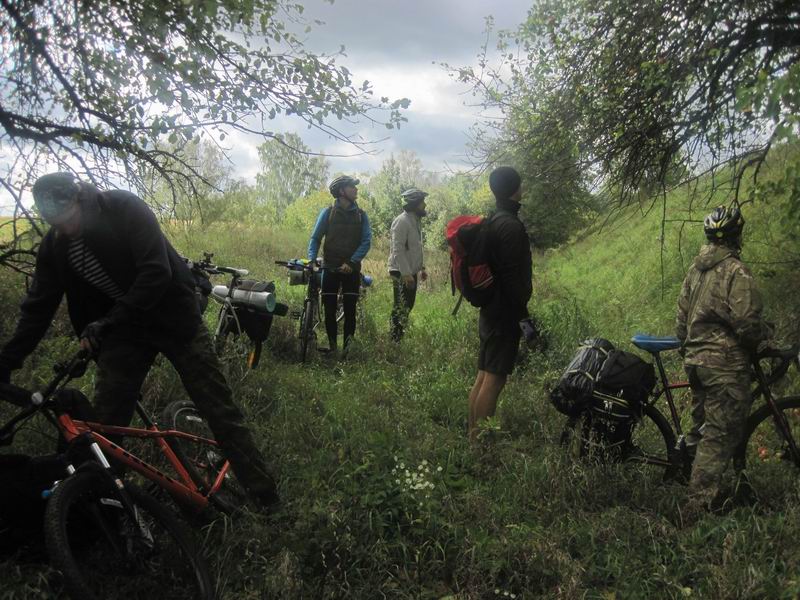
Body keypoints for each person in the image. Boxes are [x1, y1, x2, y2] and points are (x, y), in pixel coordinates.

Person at [0, 172, 279, 510]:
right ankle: (105, 505)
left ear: (78, 200)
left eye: (68, 218)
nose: (65, 228)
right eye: (56, 224)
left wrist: (107, 321)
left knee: (218, 409)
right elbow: (37, 309)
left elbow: (156, 272)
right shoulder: (56, 247)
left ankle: (265, 498)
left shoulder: (124, 208)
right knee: (104, 424)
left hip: (173, 319)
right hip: (123, 331)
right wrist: (8, 360)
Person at [675, 205, 773, 512]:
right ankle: (694, 511)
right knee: (717, 437)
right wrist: (762, 337)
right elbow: (747, 322)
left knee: (701, 426)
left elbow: (681, 322)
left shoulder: (695, 270)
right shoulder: (736, 271)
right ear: (736, 236)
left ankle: (679, 473)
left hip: (695, 360)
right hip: (724, 365)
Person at [468, 167, 533, 442]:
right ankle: (480, 445)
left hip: (490, 311)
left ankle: (472, 436)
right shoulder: (511, 226)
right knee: (494, 380)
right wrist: (522, 314)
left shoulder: (493, 220)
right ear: (515, 189)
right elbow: (512, 277)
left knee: (484, 375)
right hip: (504, 313)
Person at [308, 175, 372, 355]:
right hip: (330, 268)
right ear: (342, 191)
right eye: (352, 187)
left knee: (350, 311)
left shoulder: (362, 215)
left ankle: (347, 350)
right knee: (329, 309)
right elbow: (315, 238)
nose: (356, 190)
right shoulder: (327, 213)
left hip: (352, 270)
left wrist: (352, 262)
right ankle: (333, 347)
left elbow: (366, 241)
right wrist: (312, 259)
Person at [388, 188, 428, 341]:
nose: (424, 205)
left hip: (410, 272)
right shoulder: (401, 221)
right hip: (400, 271)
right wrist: (406, 274)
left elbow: (415, 247)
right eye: (422, 202)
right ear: (414, 204)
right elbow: (397, 249)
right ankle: (394, 340)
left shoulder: (416, 221)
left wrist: (421, 268)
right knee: (401, 306)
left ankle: (398, 336)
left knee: (408, 305)